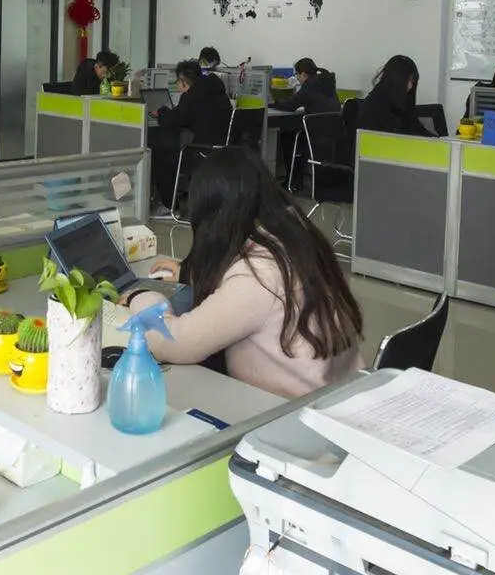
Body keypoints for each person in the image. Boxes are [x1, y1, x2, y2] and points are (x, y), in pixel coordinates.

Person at [125, 147, 364, 398]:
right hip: (341, 394)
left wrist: (141, 297)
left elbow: (174, 342)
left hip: (294, 411)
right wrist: (188, 272)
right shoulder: (296, 237)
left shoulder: (257, 276)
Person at [150, 59, 235, 208]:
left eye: (177, 82)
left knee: (160, 154)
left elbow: (174, 120)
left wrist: (161, 112)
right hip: (224, 151)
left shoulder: (192, 96)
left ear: (182, 81)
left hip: (203, 153)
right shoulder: (218, 91)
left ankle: (169, 206)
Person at [357, 54, 432, 137]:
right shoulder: (373, 107)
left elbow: (417, 129)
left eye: (412, 81)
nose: (410, 86)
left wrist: (438, 140)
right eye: (408, 80)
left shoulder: (401, 102)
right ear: (396, 80)